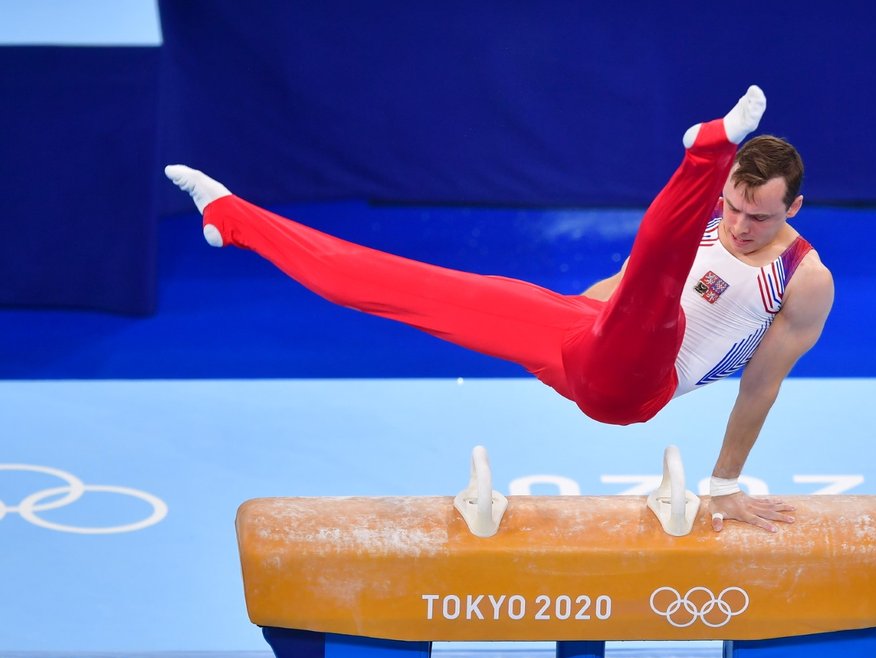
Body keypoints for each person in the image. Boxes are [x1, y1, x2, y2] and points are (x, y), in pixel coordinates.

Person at [165, 86, 834, 532]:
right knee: (413, 287)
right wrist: (570, 321)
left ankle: (707, 144)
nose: (742, 225)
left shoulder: (801, 279)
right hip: (590, 339)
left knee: (661, 293)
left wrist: (722, 486)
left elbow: (760, 385)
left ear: (793, 209)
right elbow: (624, 286)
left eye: (760, 216)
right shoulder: (714, 221)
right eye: (733, 206)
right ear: (726, 194)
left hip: (639, 386)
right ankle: (235, 218)